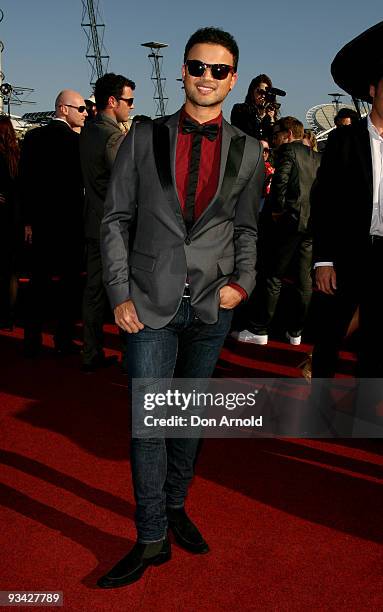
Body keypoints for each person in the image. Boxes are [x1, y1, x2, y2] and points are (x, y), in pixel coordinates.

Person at [98, 26, 264, 588]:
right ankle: (150, 539)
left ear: (233, 77)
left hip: (213, 304)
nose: (207, 78)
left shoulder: (247, 147)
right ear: (184, 71)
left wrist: (243, 282)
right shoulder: (143, 136)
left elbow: (246, 228)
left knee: (188, 419)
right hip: (147, 303)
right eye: (198, 66)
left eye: (219, 70)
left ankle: (173, 506)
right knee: (148, 424)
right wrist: (119, 293)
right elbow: (115, 219)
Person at [312, 73, 383, 377]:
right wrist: (324, 259)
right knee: (329, 341)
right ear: (372, 89)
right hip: (347, 254)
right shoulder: (345, 138)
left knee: (375, 351)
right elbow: (324, 200)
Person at [233, 116, 321, 346]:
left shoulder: (288, 151)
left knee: (273, 275)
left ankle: (259, 328)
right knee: (304, 281)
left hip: (287, 223)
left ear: (288, 134)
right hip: (310, 224)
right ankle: (296, 332)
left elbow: (280, 183)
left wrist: (277, 211)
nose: (274, 140)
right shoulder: (316, 156)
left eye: (276, 135)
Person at [20, 90, 86, 356]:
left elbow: (24, 181)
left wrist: (27, 220)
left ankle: (32, 340)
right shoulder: (77, 142)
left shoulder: (33, 138)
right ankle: (63, 338)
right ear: (63, 109)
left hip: (41, 222)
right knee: (69, 284)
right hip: (70, 224)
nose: (84, 113)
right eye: (80, 108)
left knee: (38, 283)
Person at [80, 73, 135, 372]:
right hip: (115, 227)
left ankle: (90, 353)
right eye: (128, 101)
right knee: (122, 291)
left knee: (92, 291)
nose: (131, 106)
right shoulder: (113, 136)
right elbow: (125, 182)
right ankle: (130, 357)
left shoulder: (88, 130)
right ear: (112, 102)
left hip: (92, 220)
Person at [0, 116, 20, 329]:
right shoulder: (16, 158)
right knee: (10, 271)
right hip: (13, 221)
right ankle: (9, 315)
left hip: (2, 218)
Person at [231, 73, 275, 140]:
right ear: (252, 92)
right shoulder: (240, 109)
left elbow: (273, 140)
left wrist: (271, 120)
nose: (263, 96)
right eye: (260, 91)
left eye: (266, 93)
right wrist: (259, 117)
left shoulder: (270, 114)